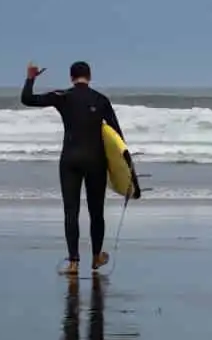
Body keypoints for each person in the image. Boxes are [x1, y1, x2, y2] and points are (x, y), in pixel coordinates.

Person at [21, 61, 135, 275]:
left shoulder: (62, 96)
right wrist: (128, 171)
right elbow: (118, 139)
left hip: (70, 160)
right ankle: (96, 257)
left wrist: (31, 78)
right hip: (95, 161)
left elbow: (27, 99)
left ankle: (73, 262)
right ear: (89, 76)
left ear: (71, 77)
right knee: (96, 212)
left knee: (70, 212)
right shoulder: (101, 100)